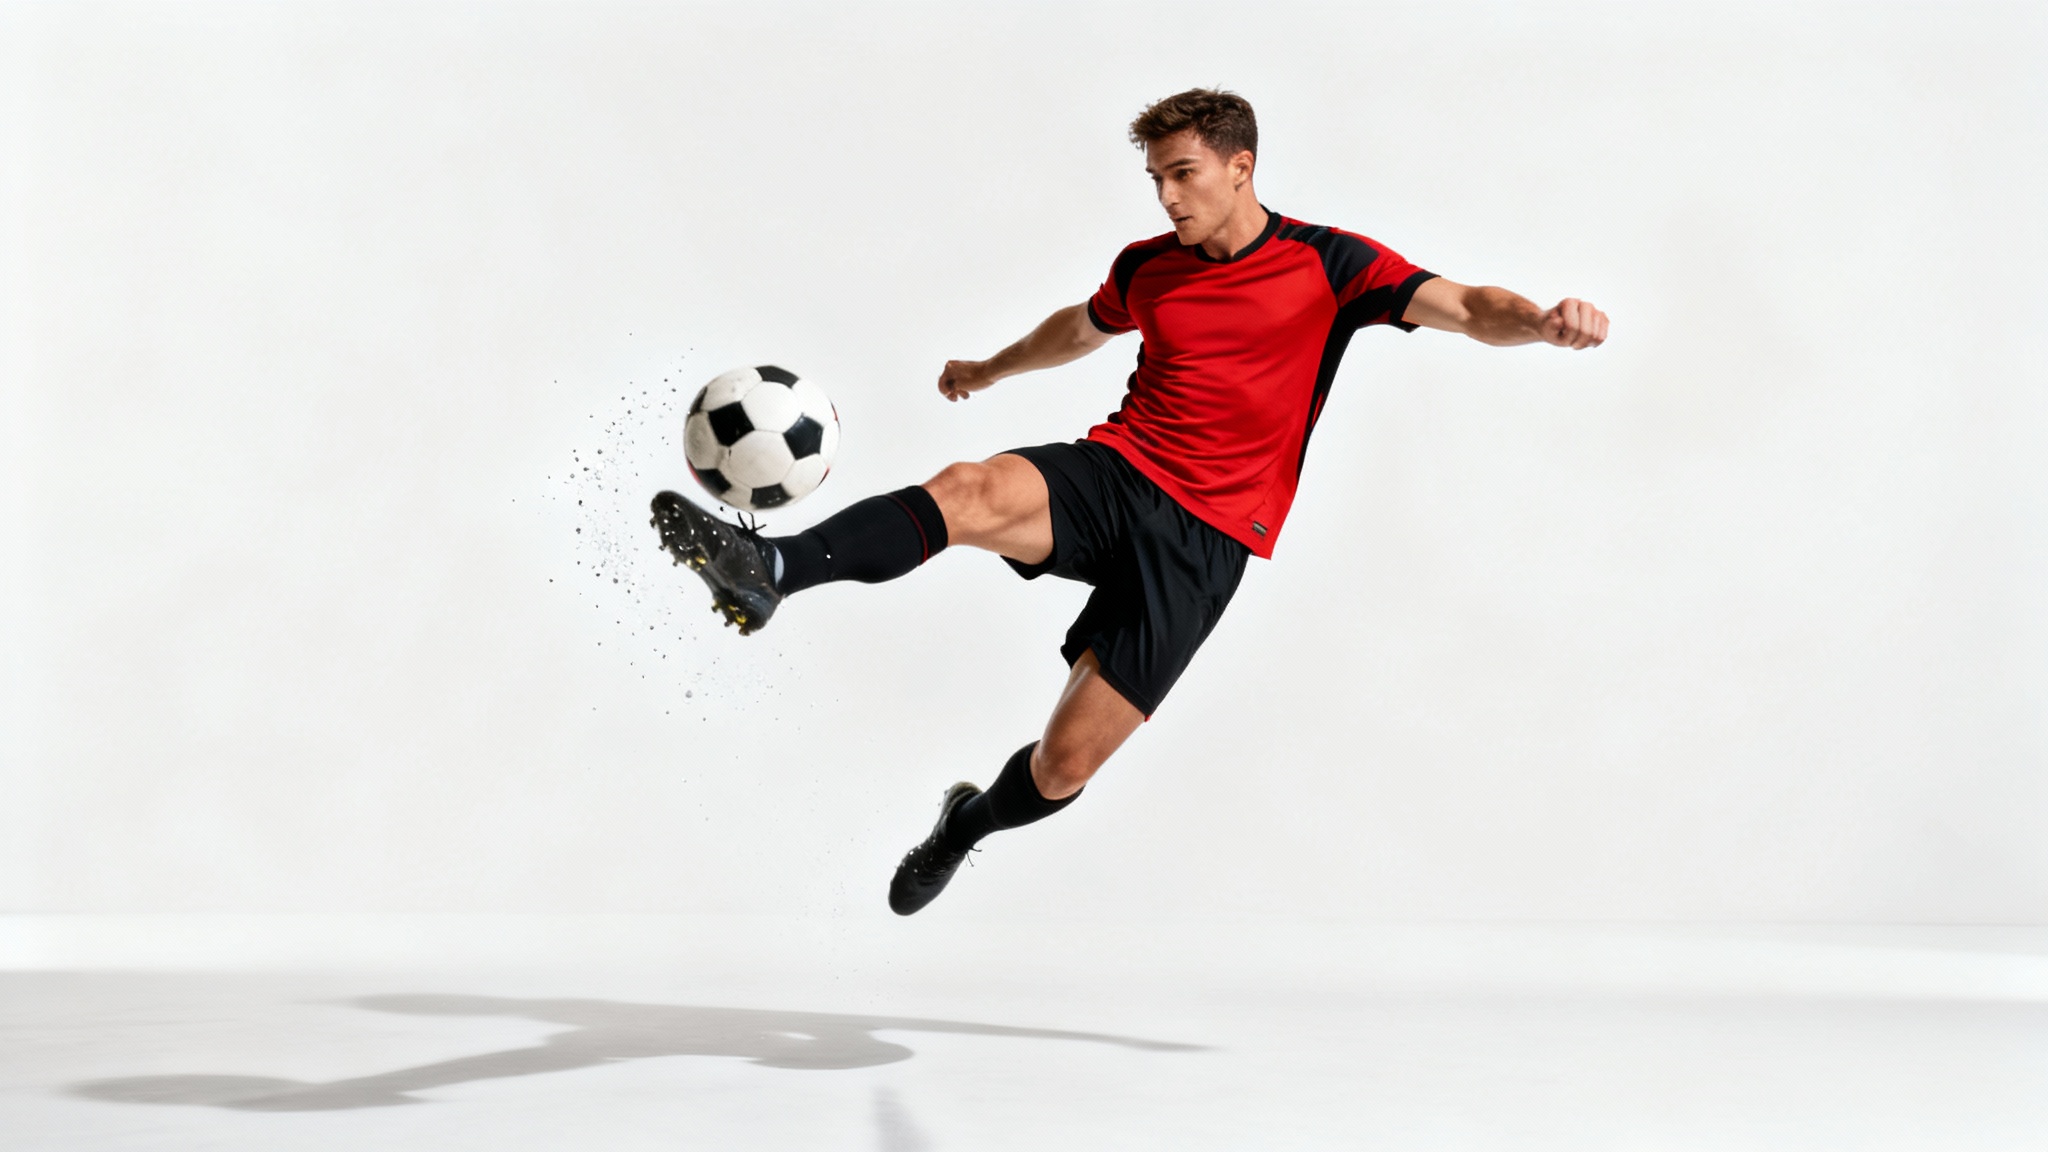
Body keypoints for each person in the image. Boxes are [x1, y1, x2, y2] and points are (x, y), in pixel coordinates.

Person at [649, 87, 1609, 916]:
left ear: (1242, 167)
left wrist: (1542, 321)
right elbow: (1081, 327)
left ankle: (964, 824)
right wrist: (989, 367)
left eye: (1184, 173)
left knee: (1064, 765)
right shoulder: (1151, 267)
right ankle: (769, 566)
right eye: (1156, 177)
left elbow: (1468, 306)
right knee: (969, 490)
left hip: (1209, 538)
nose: (1167, 194)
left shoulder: (1331, 265)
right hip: (1120, 470)